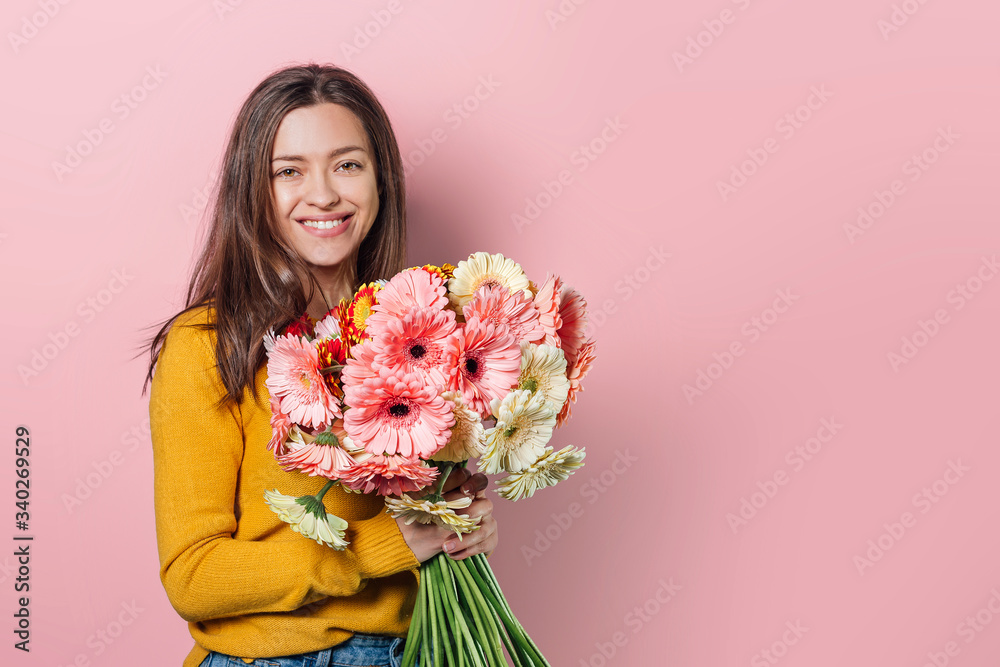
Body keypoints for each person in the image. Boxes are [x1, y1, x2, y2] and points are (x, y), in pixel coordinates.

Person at [140, 63, 498, 667]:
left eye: (347, 165)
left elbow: (418, 529)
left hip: (415, 650)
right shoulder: (208, 346)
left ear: (382, 181)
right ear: (253, 192)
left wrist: (460, 529)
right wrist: (374, 548)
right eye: (289, 171)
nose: (325, 194)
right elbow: (193, 577)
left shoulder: (421, 331)